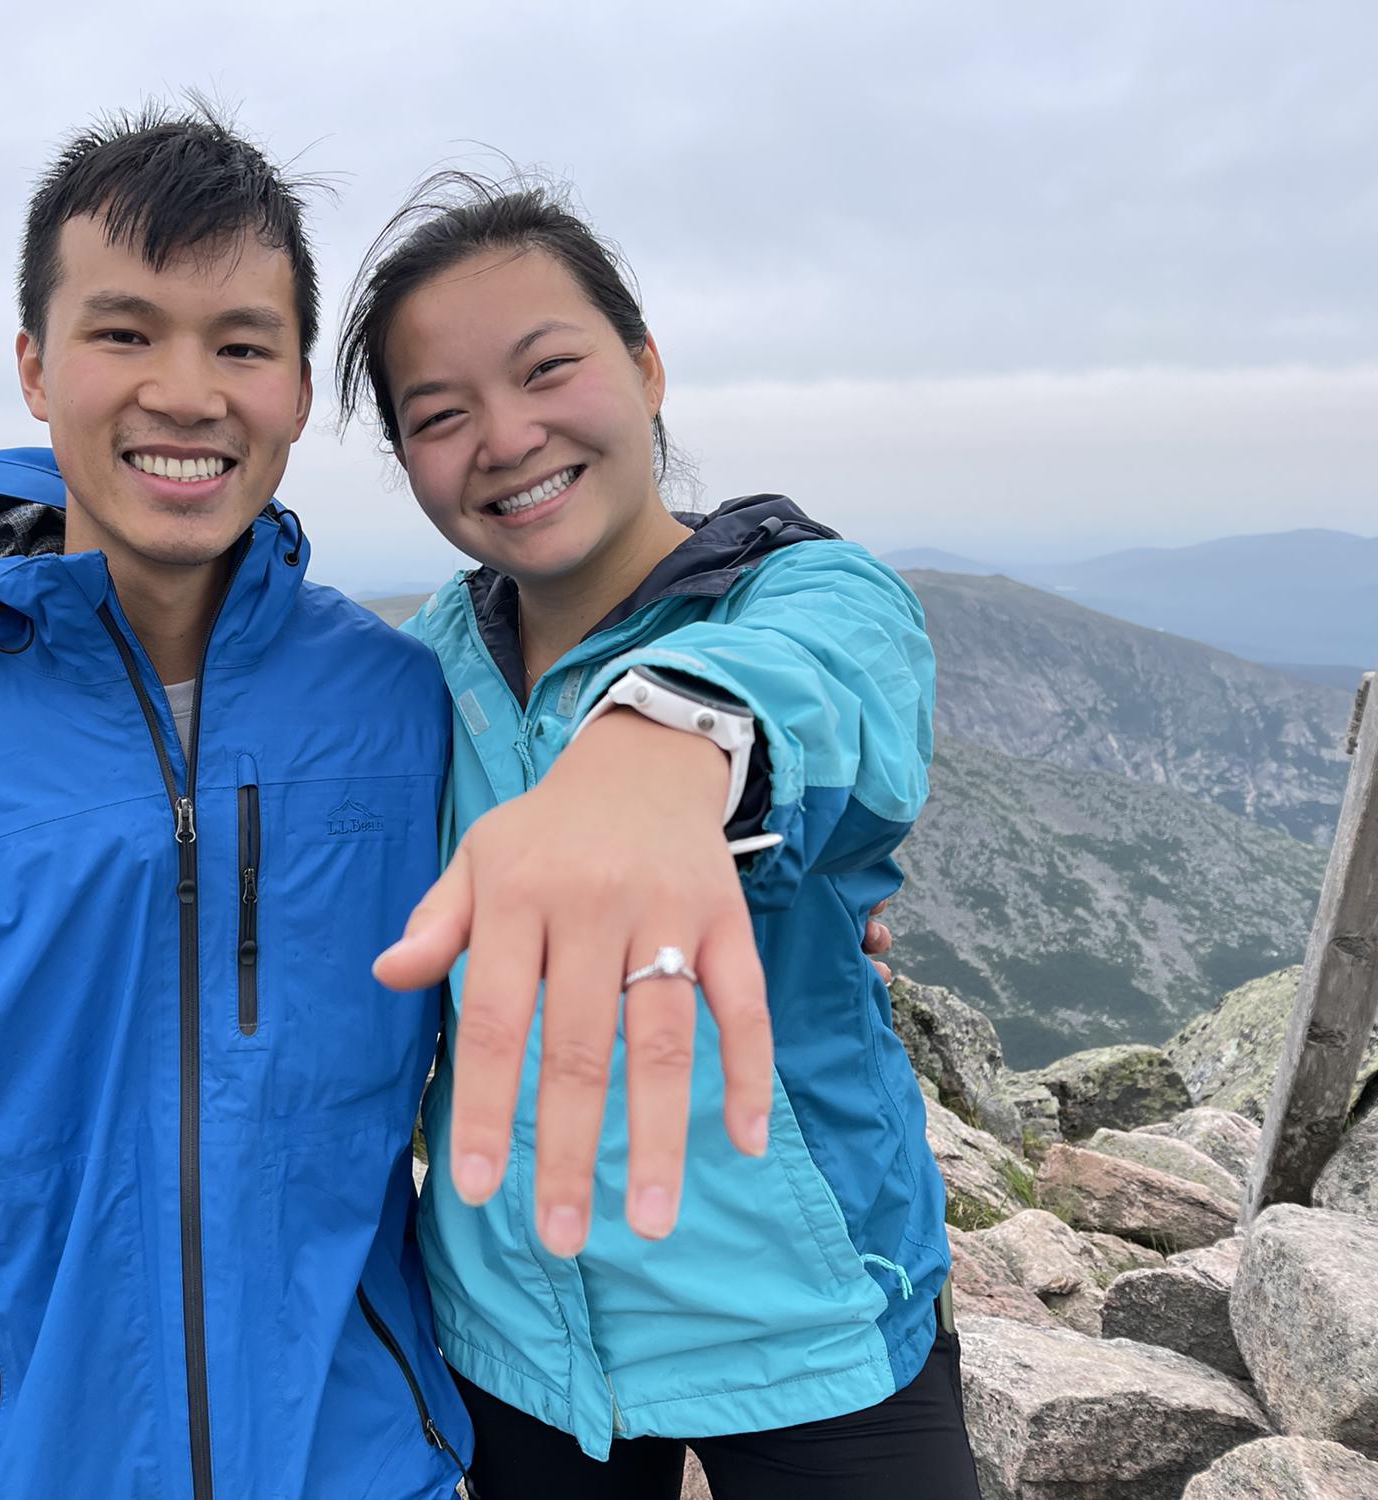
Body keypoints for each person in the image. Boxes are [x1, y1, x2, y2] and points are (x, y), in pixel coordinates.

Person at [0, 107, 792, 1499]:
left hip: (365, 1467)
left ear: (293, 391)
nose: (185, 391)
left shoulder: (409, 709)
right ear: (35, 368)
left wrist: (809, 903)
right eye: (124, 334)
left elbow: (576, 908)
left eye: (241, 344)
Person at [340, 177, 980, 1498]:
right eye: (439, 415)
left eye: (547, 369)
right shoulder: (426, 670)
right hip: (514, 1340)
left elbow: (821, 676)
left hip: (813, 1325)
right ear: (407, 463)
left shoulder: (802, 586)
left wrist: (667, 742)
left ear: (643, 365)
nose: (504, 437)